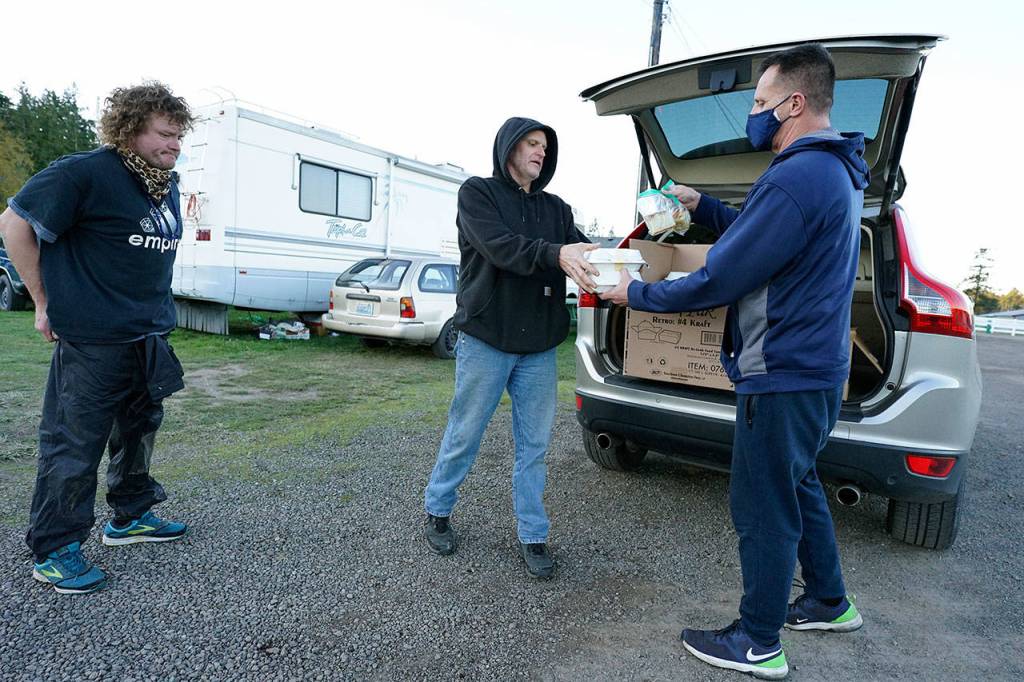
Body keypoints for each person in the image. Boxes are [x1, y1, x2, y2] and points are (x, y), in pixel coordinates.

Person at [601, 44, 868, 679]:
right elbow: (758, 231)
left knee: (764, 506)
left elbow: (720, 277)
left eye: (758, 102)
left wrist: (634, 293)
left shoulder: (799, 174)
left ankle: (757, 640)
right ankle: (830, 601)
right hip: (816, 370)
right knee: (797, 484)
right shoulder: (832, 170)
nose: (753, 114)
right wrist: (704, 206)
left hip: (782, 373)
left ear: (794, 103)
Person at [0, 82, 194, 595]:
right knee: (73, 444)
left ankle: (130, 517)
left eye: (179, 136)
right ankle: (56, 548)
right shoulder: (83, 172)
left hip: (148, 333)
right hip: (93, 338)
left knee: (138, 430)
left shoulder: (160, 182)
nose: (175, 144)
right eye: (165, 134)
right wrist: (43, 301)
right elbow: (13, 224)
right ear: (130, 129)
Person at [423, 117, 599, 579]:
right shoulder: (477, 194)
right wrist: (555, 254)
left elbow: (577, 248)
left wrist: (617, 252)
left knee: (535, 446)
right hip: (487, 337)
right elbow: (501, 247)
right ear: (508, 148)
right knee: (466, 433)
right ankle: (438, 509)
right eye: (531, 143)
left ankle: (533, 534)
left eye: (545, 146)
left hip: (539, 345)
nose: (540, 152)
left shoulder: (557, 208)